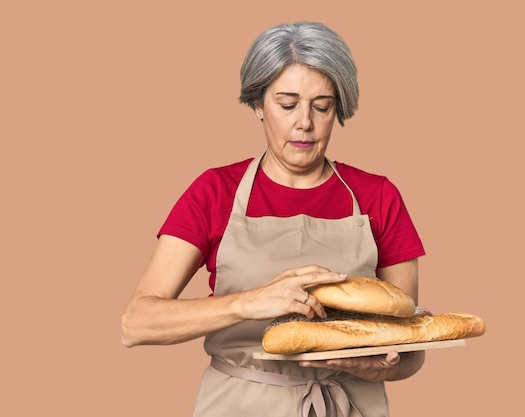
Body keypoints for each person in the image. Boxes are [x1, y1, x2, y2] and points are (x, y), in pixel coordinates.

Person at [121, 21, 426, 417]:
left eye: (322, 106)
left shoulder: (378, 196)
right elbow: (137, 323)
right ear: (257, 104)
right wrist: (249, 303)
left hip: (352, 404)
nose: (305, 122)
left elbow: (412, 346)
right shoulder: (215, 191)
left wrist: (369, 365)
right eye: (287, 104)